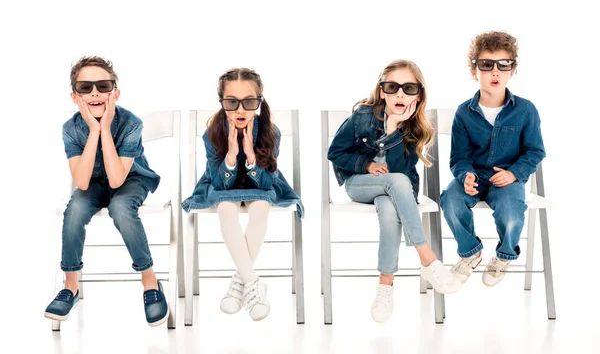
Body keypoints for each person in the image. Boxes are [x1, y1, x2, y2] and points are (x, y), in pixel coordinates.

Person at [327, 59, 461, 323]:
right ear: (381, 91)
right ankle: (428, 259)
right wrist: (365, 164)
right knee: (396, 183)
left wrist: (394, 130)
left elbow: (399, 169)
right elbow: (335, 152)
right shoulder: (362, 116)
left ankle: (385, 285)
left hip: (395, 191)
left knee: (390, 208)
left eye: (409, 88)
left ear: (419, 94)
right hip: (360, 184)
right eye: (392, 86)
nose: (400, 93)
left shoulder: (416, 127)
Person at [44, 56, 168, 326]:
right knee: (75, 208)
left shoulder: (131, 123)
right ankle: (70, 286)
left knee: (121, 208)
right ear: (75, 96)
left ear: (115, 93)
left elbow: (116, 179)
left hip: (130, 179)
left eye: (103, 86)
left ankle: (150, 282)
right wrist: (93, 131)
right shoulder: (71, 129)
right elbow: (83, 183)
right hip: (92, 181)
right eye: (85, 87)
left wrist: (106, 130)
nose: (95, 93)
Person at [182, 67, 304, 322]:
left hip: (260, 184)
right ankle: (254, 284)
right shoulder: (212, 132)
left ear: (259, 100)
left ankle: (241, 283)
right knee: (226, 208)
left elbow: (267, 181)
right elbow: (219, 184)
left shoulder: (271, 132)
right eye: (231, 102)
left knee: (260, 206)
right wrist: (230, 153)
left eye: (248, 102)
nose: (240, 110)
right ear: (222, 102)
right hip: (222, 186)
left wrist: (250, 156)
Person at [440, 31, 546, 287]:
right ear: (473, 70)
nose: (495, 72)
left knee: (511, 212)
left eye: (503, 64)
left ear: (513, 69)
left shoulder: (525, 109)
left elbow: (535, 151)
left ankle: (504, 255)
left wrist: (514, 173)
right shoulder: (464, 113)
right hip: (474, 177)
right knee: (450, 199)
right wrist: (464, 175)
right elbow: (459, 156)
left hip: (507, 179)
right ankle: (470, 251)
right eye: (486, 65)